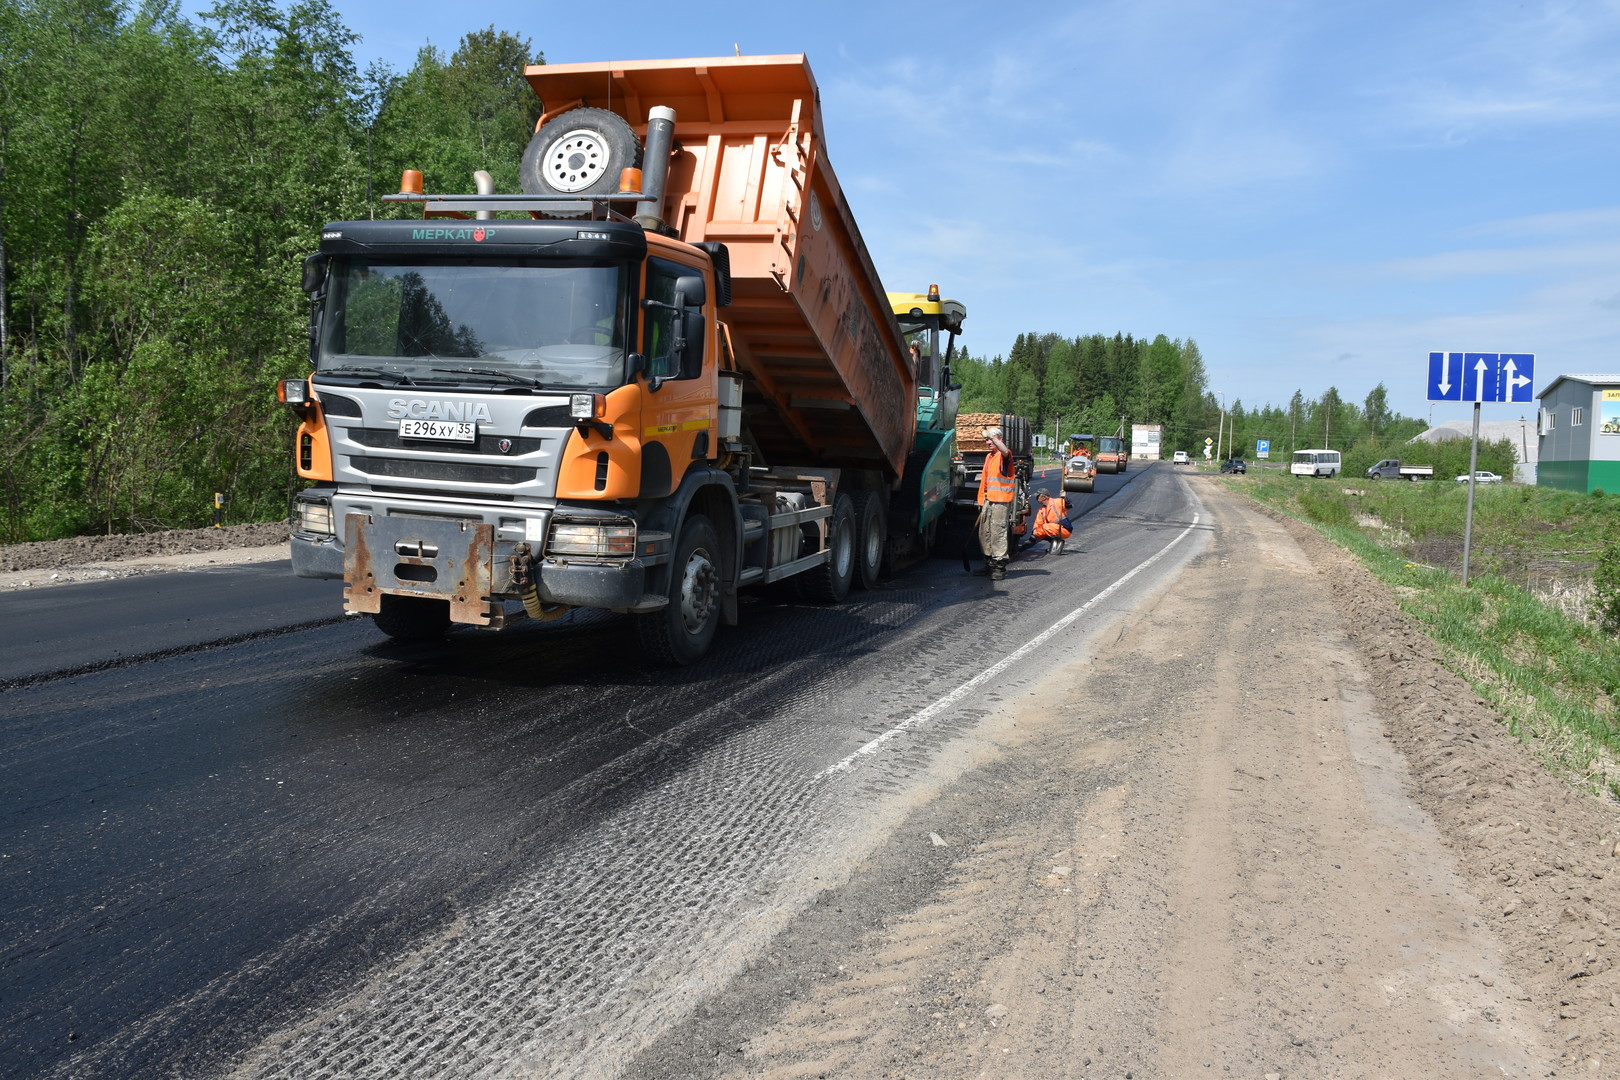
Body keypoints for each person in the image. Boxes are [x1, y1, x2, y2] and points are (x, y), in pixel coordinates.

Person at [974, 425, 1016, 580]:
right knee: (985, 533)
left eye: (991, 439)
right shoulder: (989, 457)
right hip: (987, 500)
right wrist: (981, 500)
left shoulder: (1005, 456)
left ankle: (999, 567)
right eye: (986, 439)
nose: (988, 442)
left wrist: (991, 436)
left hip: (1000, 501)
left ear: (1000, 439)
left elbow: (1005, 451)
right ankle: (989, 563)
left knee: (998, 532)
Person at [1031, 490, 1072, 555]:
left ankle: (1055, 540)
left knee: (1045, 527)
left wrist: (1064, 498)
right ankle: (1054, 541)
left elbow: (1069, 505)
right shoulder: (1041, 510)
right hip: (1053, 529)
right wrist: (1034, 534)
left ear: (1043, 497)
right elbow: (1037, 524)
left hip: (1064, 529)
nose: (1036, 498)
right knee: (1037, 531)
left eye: (1037, 496)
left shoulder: (1056, 502)